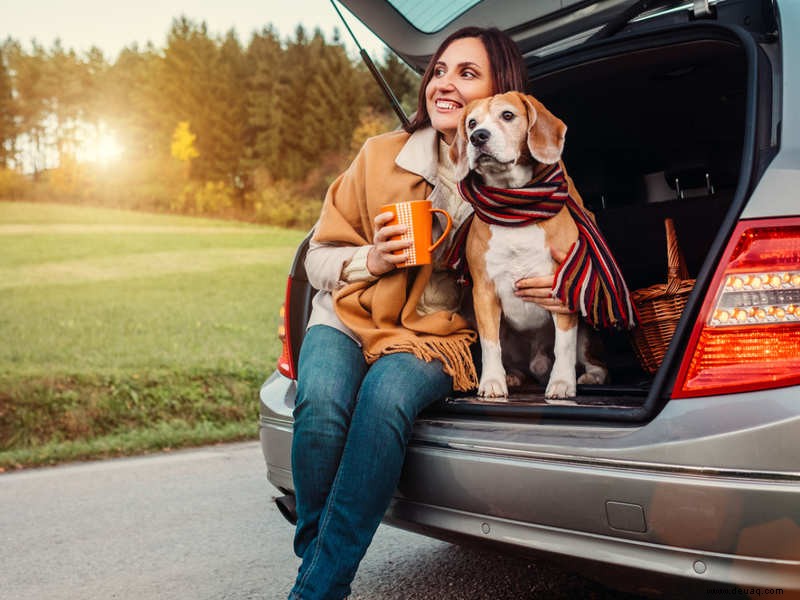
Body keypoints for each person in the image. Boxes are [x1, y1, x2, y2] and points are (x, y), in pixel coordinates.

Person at [288, 26, 566, 600]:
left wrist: (569, 284)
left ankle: (315, 589)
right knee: (320, 407)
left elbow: (581, 246)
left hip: (438, 333)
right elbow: (316, 258)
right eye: (440, 70)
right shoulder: (378, 155)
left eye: (467, 74)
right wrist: (373, 256)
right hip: (350, 313)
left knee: (385, 400)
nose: (444, 84)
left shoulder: (531, 173)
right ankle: (319, 574)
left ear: (499, 94)